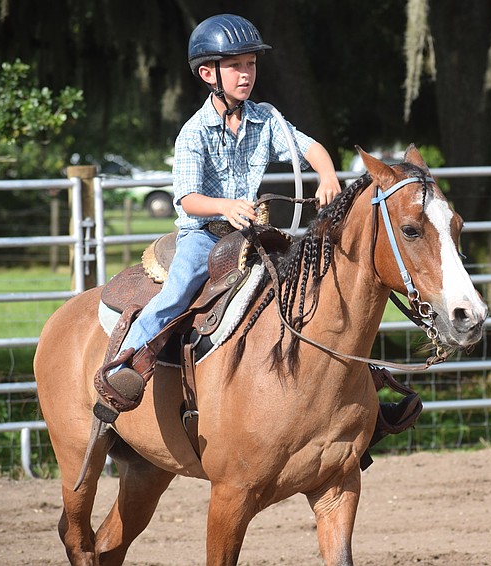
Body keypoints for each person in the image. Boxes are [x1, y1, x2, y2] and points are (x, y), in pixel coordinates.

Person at [95, 13, 341, 421]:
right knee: (175, 296)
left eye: (252, 64)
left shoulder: (266, 119)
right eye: (236, 66)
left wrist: (328, 173)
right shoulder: (194, 133)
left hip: (252, 232)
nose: (246, 75)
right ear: (209, 73)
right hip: (204, 235)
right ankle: (124, 367)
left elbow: (309, 147)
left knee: (311, 283)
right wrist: (226, 206)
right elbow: (188, 199)